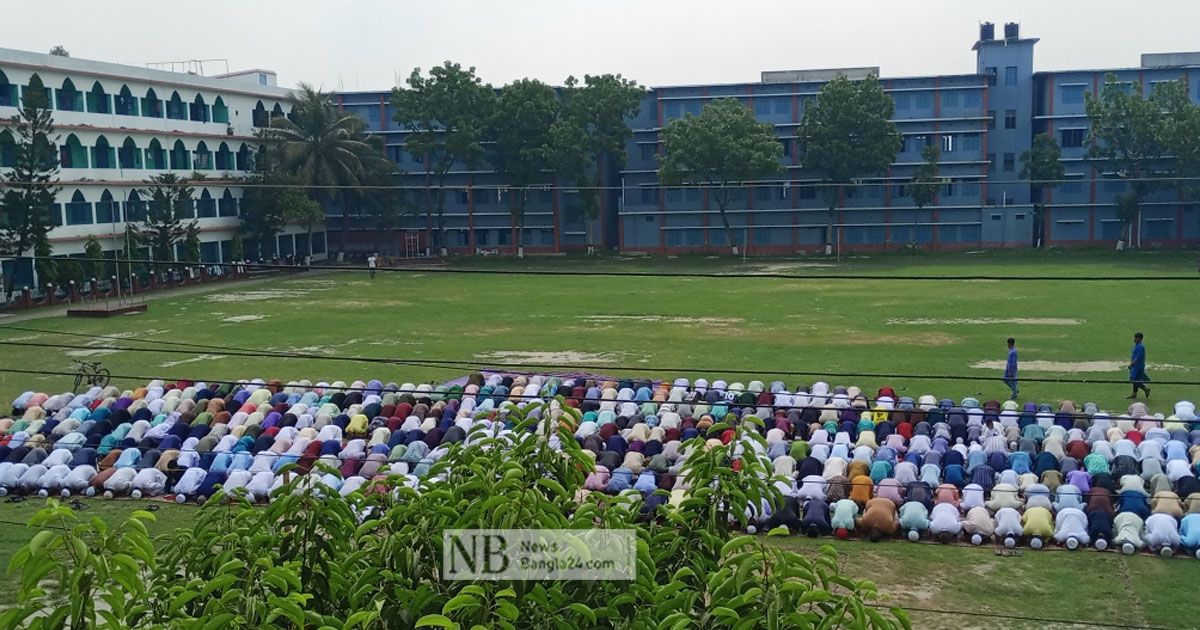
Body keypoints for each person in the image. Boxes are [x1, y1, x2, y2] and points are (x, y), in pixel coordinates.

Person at [1127, 332, 1150, 399]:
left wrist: (1132, 364)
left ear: (1139, 338)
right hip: (1136, 366)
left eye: (1135, 338)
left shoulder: (1140, 347)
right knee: (1135, 380)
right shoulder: (1137, 346)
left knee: (1134, 379)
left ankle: (1145, 389)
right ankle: (1134, 394)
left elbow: (1138, 357)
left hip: (1138, 366)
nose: (1134, 339)